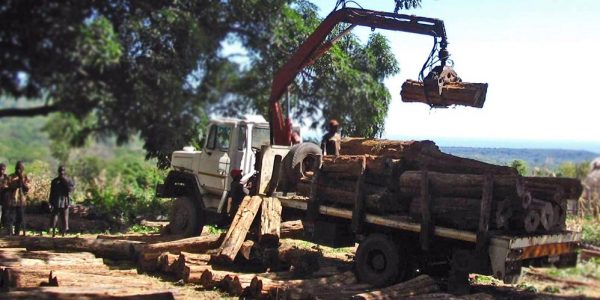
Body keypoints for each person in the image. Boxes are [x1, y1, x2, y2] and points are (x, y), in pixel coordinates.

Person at [48, 166, 75, 237]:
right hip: (56, 201)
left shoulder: (68, 180)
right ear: (58, 172)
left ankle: (63, 233)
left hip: (65, 201)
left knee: (64, 217)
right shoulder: (54, 181)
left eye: (63, 171)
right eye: (60, 171)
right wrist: (50, 202)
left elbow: (70, 189)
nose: (61, 172)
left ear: (64, 172)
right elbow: (51, 192)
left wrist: (64, 180)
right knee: (54, 216)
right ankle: (53, 232)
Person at [6, 161, 29, 236]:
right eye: (17, 168)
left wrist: (21, 179)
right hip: (12, 200)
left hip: (21, 201)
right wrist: (16, 182)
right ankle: (9, 233)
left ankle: (17, 233)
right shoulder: (10, 176)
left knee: (20, 218)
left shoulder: (25, 177)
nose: (18, 170)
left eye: (20, 168)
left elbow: (27, 188)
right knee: (11, 218)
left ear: (23, 169)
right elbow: (8, 186)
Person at [0, 163, 9, 229]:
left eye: (3, 169)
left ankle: (4, 226)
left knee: (5, 212)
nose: (1, 171)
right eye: (0, 169)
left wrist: (6, 187)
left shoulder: (6, 177)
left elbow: (10, 186)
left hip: (4, 197)